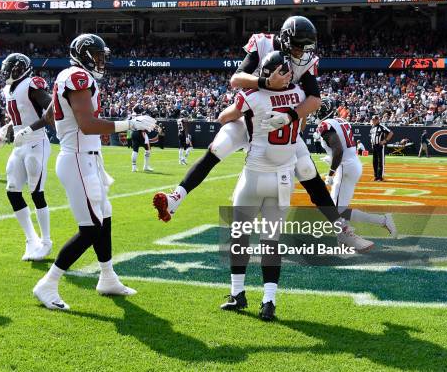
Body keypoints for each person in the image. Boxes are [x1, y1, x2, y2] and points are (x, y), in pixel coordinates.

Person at [153, 16, 373, 251]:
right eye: (299, 46)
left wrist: (290, 116)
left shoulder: (304, 62)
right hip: (250, 113)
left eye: (307, 48)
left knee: (308, 172)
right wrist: (266, 82)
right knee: (217, 149)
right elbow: (236, 79)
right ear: (287, 41)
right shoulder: (263, 43)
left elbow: (315, 99)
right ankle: (176, 198)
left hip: (278, 122)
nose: (303, 53)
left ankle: (341, 230)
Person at [32, 33, 156, 311]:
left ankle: (108, 277)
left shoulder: (68, 75)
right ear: (85, 55)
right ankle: (48, 283)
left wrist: (67, 135)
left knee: (105, 216)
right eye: (98, 56)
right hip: (78, 159)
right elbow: (87, 125)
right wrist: (130, 124)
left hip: (84, 157)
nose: (102, 61)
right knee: (90, 229)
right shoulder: (78, 77)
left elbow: (52, 115)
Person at [217, 51, 304, 321]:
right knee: (271, 242)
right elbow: (312, 104)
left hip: (255, 174)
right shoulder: (299, 95)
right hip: (283, 179)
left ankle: (238, 293)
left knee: (240, 236)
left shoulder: (252, 96)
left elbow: (224, 117)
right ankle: (269, 301)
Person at [314, 99, 396, 237]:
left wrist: (330, 174)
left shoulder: (325, 125)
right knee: (338, 209)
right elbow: (344, 148)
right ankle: (349, 236)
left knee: (335, 210)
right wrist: (331, 158)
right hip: (353, 165)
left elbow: (339, 150)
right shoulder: (341, 121)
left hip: (345, 168)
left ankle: (377, 223)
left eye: (317, 109)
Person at [1, 53, 53, 261]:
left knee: (36, 192)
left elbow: (53, 109)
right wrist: (11, 127)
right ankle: (31, 239)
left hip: (36, 142)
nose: (7, 72)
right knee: (12, 190)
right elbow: (20, 114)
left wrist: (29, 129)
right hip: (20, 144)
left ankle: (46, 241)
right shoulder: (8, 89)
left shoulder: (32, 84)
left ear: (21, 68)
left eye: (11, 68)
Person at [370, 116, 393, 181]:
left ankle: (380, 177)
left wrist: (385, 141)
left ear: (378, 120)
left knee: (380, 161)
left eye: (374, 120)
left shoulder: (381, 126)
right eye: (373, 120)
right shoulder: (372, 127)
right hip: (374, 146)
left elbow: (390, 133)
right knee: (375, 161)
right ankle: (376, 176)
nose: (373, 121)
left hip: (380, 146)